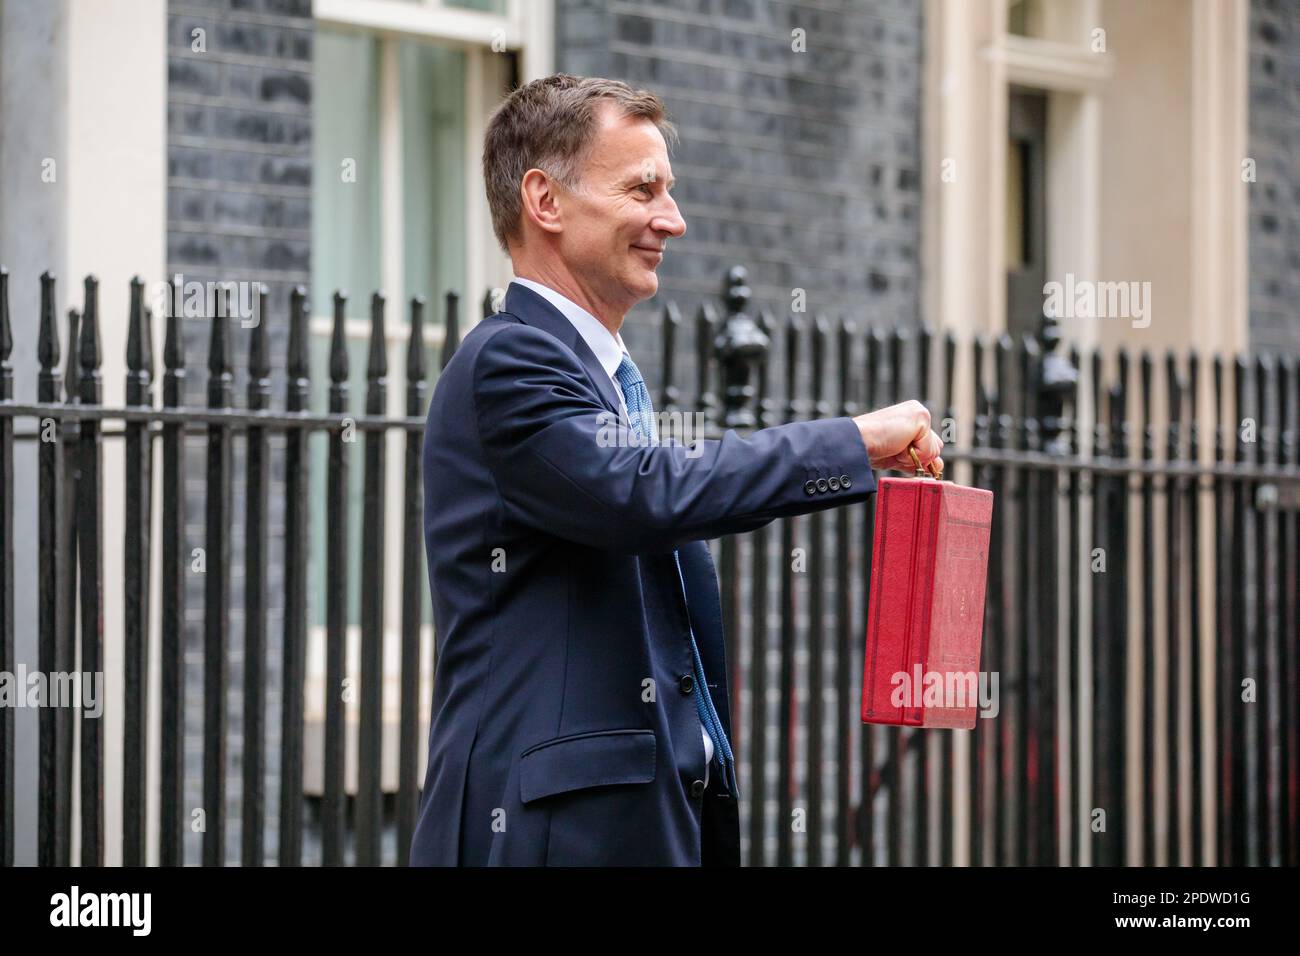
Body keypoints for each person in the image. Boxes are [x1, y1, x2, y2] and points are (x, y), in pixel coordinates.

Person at [410, 74, 943, 866]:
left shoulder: (597, 378)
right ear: (545, 201)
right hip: (549, 837)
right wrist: (851, 441)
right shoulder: (508, 361)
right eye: (643, 189)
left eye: (671, 191)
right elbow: (647, 491)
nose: (674, 219)